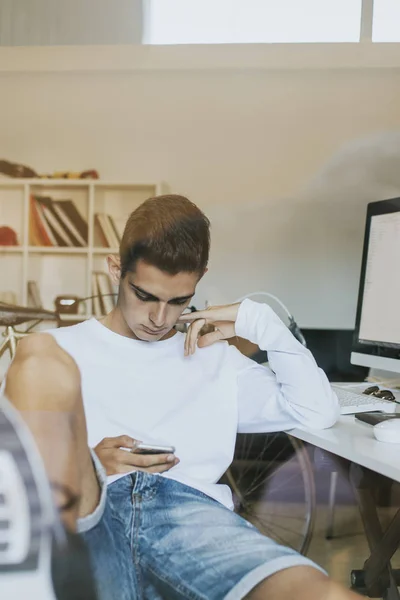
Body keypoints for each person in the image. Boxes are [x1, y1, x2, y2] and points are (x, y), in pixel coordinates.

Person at [4, 194, 362, 600]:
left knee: (318, 593)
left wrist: (258, 320)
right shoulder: (58, 348)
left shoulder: (216, 360)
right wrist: (83, 464)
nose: (160, 319)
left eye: (178, 301)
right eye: (145, 296)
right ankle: (27, 572)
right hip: (91, 513)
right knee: (36, 356)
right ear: (115, 268)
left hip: (192, 520)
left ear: (200, 278)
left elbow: (316, 410)